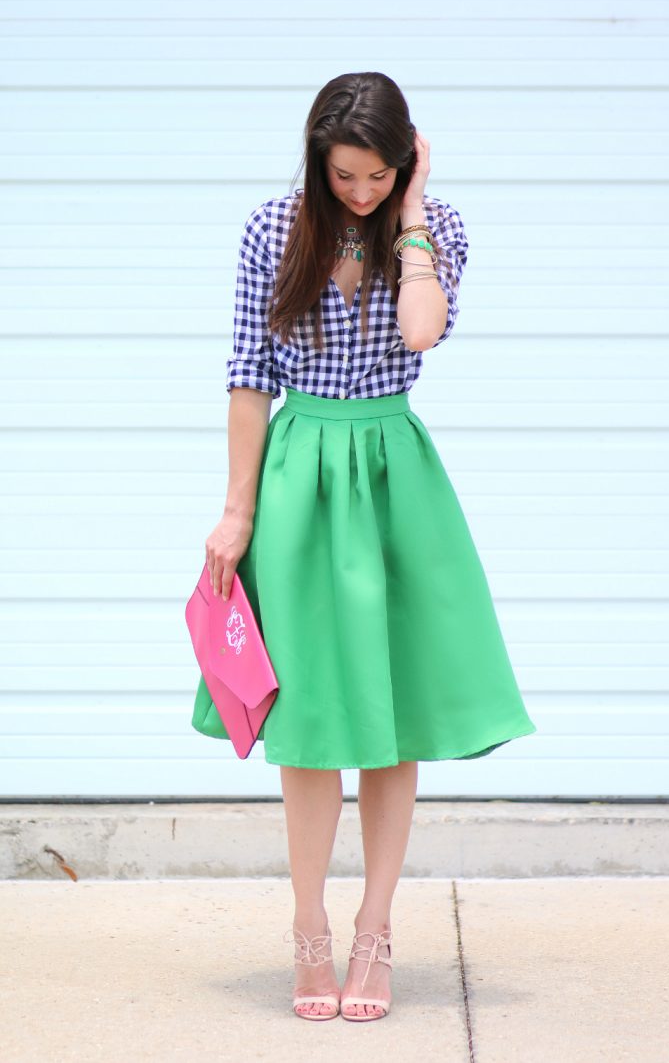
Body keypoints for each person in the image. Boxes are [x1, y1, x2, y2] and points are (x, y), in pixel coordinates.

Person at [191, 71, 537, 1023]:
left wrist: (415, 209)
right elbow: (247, 373)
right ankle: (308, 928)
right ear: (317, 158)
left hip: (395, 479)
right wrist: (237, 510)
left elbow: (423, 332)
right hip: (300, 478)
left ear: (407, 160)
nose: (361, 191)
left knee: (391, 722)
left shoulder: (433, 227)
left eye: (380, 174)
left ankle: (374, 933)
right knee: (306, 726)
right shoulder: (274, 229)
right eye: (346, 173)